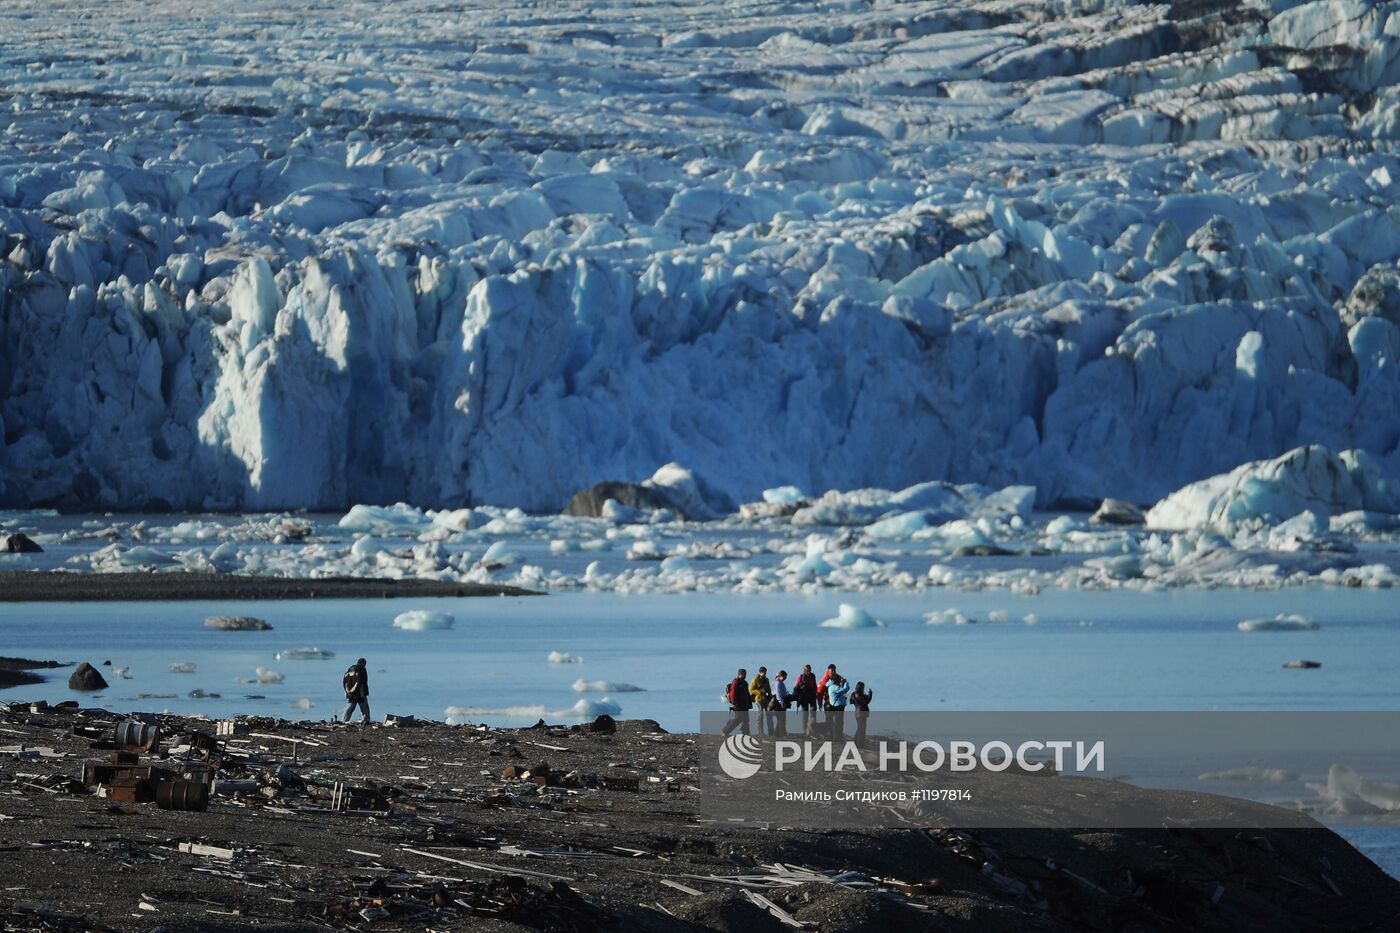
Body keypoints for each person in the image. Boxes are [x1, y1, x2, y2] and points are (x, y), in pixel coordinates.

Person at [723, 668, 752, 736]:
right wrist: (735, 703)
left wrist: (749, 702)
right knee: (738, 719)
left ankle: (746, 734)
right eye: (744, 674)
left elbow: (747, 693)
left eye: (745, 674)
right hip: (738, 705)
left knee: (746, 720)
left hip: (745, 705)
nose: (745, 676)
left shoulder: (745, 683)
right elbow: (733, 694)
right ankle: (725, 731)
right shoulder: (736, 682)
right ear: (740, 674)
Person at [341, 658, 370, 724]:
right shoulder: (362, 670)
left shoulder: (350, 670)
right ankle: (366, 720)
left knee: (350, 707)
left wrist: (348, 691)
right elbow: (361, 681)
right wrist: (362, 692)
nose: (365, 665)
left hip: (351, 693)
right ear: (362, 663)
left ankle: (344, 720)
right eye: (364, 663)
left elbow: (344, 681)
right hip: (360, 693)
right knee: (364, 707)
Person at [794, 664, 817, 736]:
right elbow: (796, 688)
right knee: (805, 714)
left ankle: (813, 729)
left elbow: (815, 685)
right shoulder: (801, 677)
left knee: (813, 713)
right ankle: (805, 731)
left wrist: (816, 694)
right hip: (804, 697)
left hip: (812, 696)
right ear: (804, 670)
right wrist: (796, 697)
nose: (808, 672)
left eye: (809, 670)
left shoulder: (813, 676)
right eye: (807, 670)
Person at [826, 673, 850, 741]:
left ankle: (837, 736)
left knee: (838, 721)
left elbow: (843, 690)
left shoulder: (831, 686)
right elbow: (844, 690)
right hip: (838, 706)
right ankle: (838, 737)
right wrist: (846, 682)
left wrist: (842, 683)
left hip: (837, 705)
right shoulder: (834, 687)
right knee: (839, 722)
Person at [749, 667, 773, 735]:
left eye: (765, 672)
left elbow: (769, 689)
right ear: (760, 672)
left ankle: (771, 731)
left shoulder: (766, 679)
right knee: (760, 715)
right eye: (764, 672)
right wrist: (759, 691)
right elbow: (751, 690)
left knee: (769, 715)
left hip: (766, 699)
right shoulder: (755, 679)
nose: (765, 674)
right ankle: (760, 732)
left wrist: (771, 697)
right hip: (759, 699)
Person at [852, 680, 873, 746]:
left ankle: (856, 742)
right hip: (861, 713)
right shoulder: (858, 694)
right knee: (862, 729)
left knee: (860, 728)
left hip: (859, 713)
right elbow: (866, 701)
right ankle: (860, 744)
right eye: (863, 687)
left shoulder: (855, 694)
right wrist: (870, 694)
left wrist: (867, 696)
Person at [771, 670, 791, 737]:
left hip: (778, 701)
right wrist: (782, 702)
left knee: (780, 719)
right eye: (784, 677)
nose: (785, 679)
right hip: (778, 702)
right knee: (781, 719)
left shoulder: (778, 682)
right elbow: (778, 694)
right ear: (780, 676)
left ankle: (776, 734)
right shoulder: (778, 683)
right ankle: (782, 733)